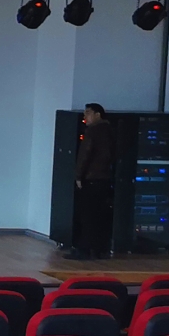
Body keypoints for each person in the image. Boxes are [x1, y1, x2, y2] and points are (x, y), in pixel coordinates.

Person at [68, 103, 116, 259]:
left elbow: (84, 155)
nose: (85, 117)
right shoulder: (110, 130)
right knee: (100, 215)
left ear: (97, 115)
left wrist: (78, 176)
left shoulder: (92, 131)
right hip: (105, 178)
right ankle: (99, 249)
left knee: (87, 216)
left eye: (88, 113)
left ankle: (84, 250)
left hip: (91, 178)